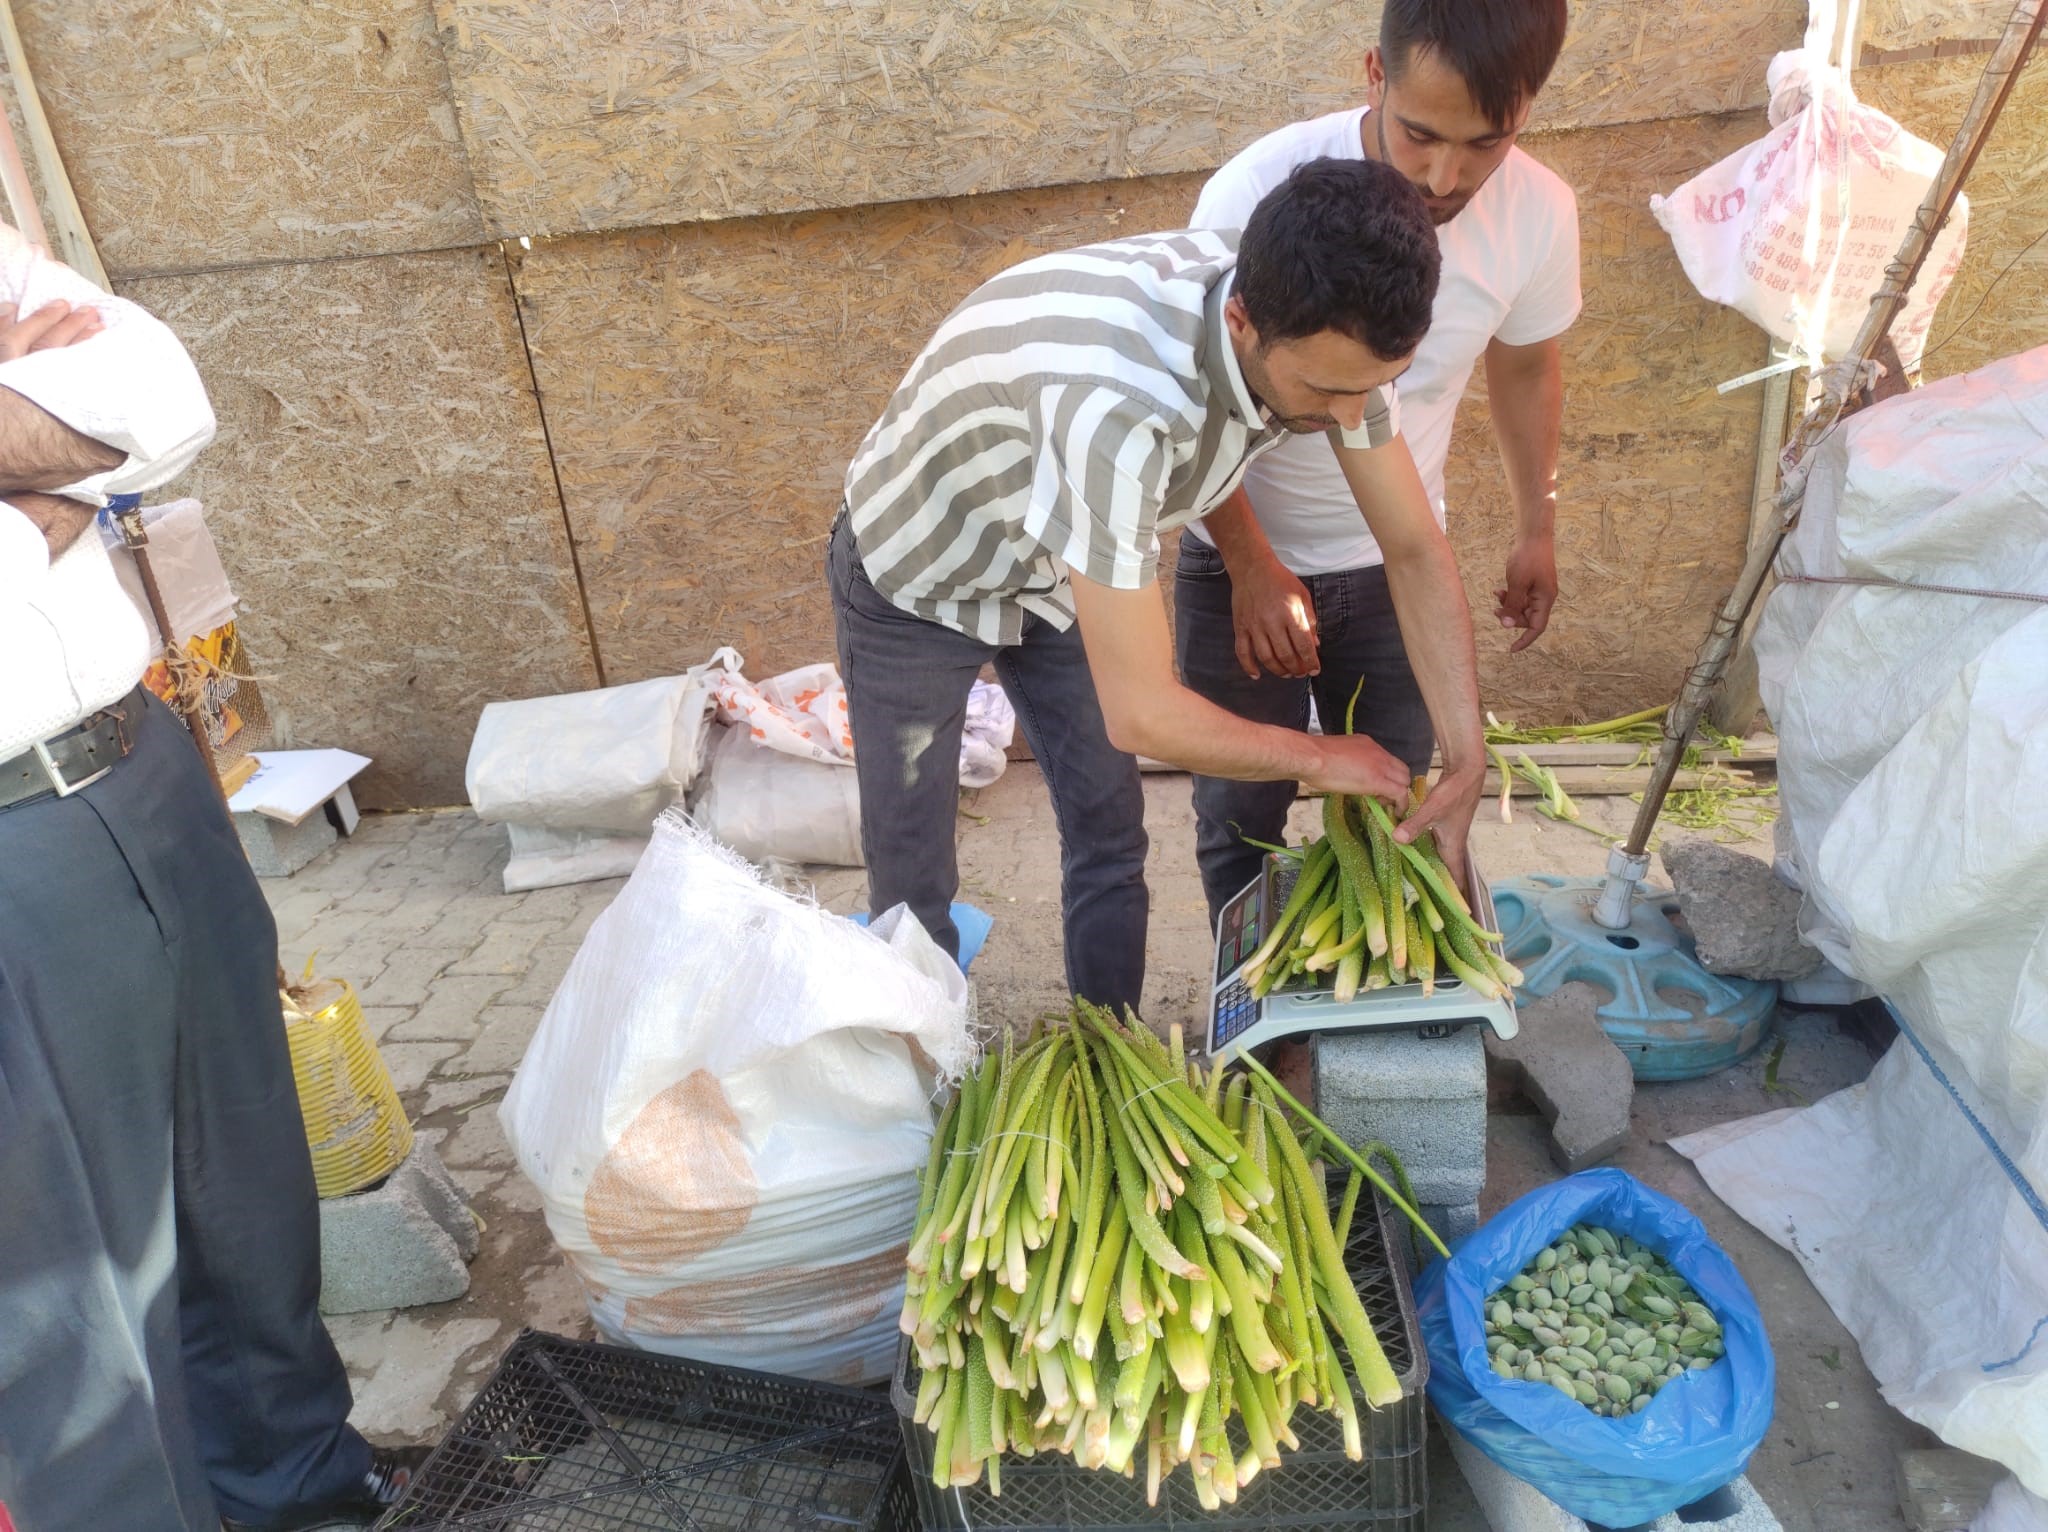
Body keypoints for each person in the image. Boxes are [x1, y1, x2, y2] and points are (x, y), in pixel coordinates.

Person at [830, 157, 1489, 1016]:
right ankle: (915, 1079)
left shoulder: (1333, 335)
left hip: (1060, 570)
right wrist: (1325, 757)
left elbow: (1411, 545)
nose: (1346, 418)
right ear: (1246, 322)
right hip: (920, 571)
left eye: (1370, 388)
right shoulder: (1117, 405)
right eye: (1326, 391)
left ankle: (1109, 1048)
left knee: (1109, 828)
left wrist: (1466, 751)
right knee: (913, 874)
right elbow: (1141, 712)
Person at [0, 223, 425, 1530]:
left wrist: (51, 464)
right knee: (76, 1297)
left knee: (241, 1181)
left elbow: (158, 398)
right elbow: (89, 455)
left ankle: (301, 1495)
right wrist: (45, 462)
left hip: (141, 769)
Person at [1176, 0, 1580, 920]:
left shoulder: (1540, 216)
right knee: (1239, 813)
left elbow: (1526, 372)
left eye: (1487, 143)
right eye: (1421, 134)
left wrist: (1536, 525)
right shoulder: (1259, 192)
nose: (1445, 176)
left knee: (1393, 804)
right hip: (1243, 557)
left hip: (1398, 557)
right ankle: (1254, 1007)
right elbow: (1196, 389)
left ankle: (1372, 1028)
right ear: (1375, 73)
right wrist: (1246, 559)